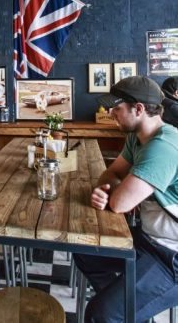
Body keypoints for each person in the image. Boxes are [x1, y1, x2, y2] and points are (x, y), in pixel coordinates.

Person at [73, 76, 178, 322]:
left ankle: (123, 310)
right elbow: (111, 173)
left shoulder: (163, 146)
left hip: (170, 256)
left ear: (139, 109)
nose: (110, 113)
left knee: (100, 315)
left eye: (116, 108)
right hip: (148, 240)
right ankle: (131, 309)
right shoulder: (138, 136)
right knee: (84, 251)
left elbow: (120, 204)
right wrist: (111, 189)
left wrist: (110, 193)